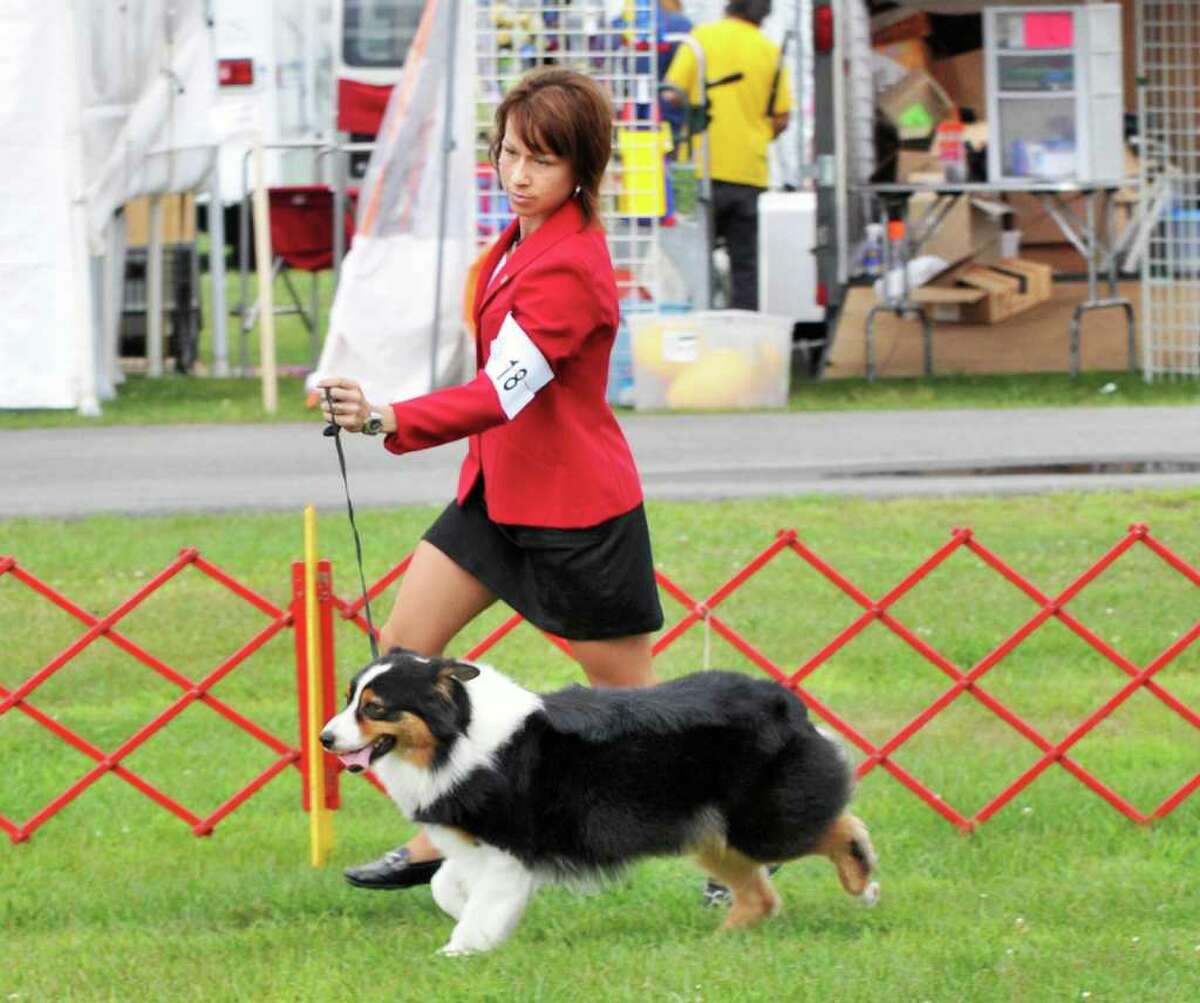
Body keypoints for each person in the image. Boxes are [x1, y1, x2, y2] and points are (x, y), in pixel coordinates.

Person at [318, 66, 664, 892]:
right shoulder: (515, 243)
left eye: (540, 161)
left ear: (581, 168)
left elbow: (503, 392)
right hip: (492, 499)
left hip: (577, 518)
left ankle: (751, 835)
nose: (517, 175)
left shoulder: (570, 266)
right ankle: (444, 835)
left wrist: (386, 418)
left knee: (644, 721)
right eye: (508, 153)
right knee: (403, 655)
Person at [663, 0, 793, 310]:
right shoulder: (770, 51)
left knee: (695, 256)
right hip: (749, 171)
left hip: (699, 169)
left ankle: (699, 324)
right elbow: (782, 117)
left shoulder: (701, 39)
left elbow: (671, 92)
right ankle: (742, 334)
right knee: (745, 264)